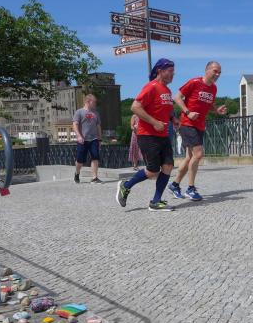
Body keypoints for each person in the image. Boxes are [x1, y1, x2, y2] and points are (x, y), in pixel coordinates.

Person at [115, 58, 179, 211]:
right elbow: (135, 107)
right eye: (170, 71)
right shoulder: (151, 87)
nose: (173, 74)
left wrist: (173, 119)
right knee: (152, 171)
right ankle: (126, 185)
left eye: (173, 71)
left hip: (163, 135)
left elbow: (166, 109)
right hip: (148, 135)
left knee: (168, 166)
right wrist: (154, 122)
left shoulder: (167, 91)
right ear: (160, 71)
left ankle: (156, 202)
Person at [169, 61, 227, 201]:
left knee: (190, 158)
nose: (217, 74)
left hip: (199, 125)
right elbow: (177, 97)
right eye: (215, 71)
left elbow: (208, 104)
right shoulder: (194, 82)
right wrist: (188, 112)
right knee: (199, 154)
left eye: (219, 72)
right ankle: (190, 189)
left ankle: (175, 185)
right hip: (188, 123)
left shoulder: (213, 88)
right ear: (207, 70)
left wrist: (216, 110)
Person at [72, 94, 102, 183]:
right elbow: (75, 125)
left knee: (95, 157)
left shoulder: (96, 113)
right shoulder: (79, 112)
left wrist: (100, 139)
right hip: (82, 140)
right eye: (94, 102)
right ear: (88, 101)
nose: (95, 103)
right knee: (80, 160)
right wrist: (78, 136)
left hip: (94, 139)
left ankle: (94, 177)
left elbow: (98, 126)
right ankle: (77, 173)